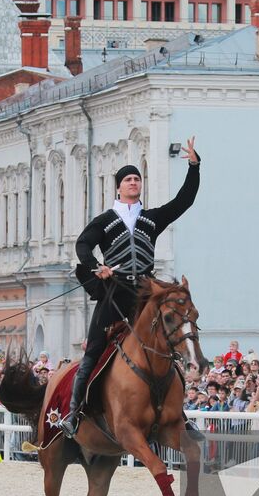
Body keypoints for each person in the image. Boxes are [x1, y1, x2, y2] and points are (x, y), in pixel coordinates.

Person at [57, 137, 201, 438]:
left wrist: (194, 167)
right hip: (115, 291)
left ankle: (180, 416)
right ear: (119, 187)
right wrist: (98, 267)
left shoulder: (151, 219)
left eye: (137, 179)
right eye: (128, 179)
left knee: (166, 345)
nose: (134, 183)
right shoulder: (106, 221)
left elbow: (184, 201)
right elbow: (82, 245)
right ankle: (74, 412)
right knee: (94, 349)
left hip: (146, 291)